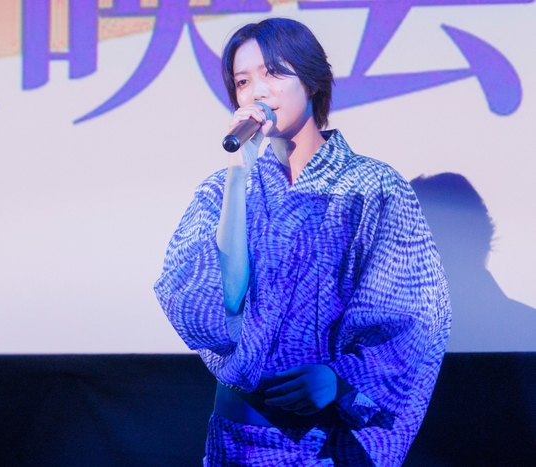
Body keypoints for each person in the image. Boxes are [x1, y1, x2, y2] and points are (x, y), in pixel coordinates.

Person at [154, 18, 451, 467]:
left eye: (272, 73)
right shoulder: (221, 190)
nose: (257, 91)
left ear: (311, 80)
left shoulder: (373, 186)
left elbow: (416, 318)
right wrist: (238, 173)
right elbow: (224, 298)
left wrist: (341, 379)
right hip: (238, 439)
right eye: (242, 81)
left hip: (328, 440)